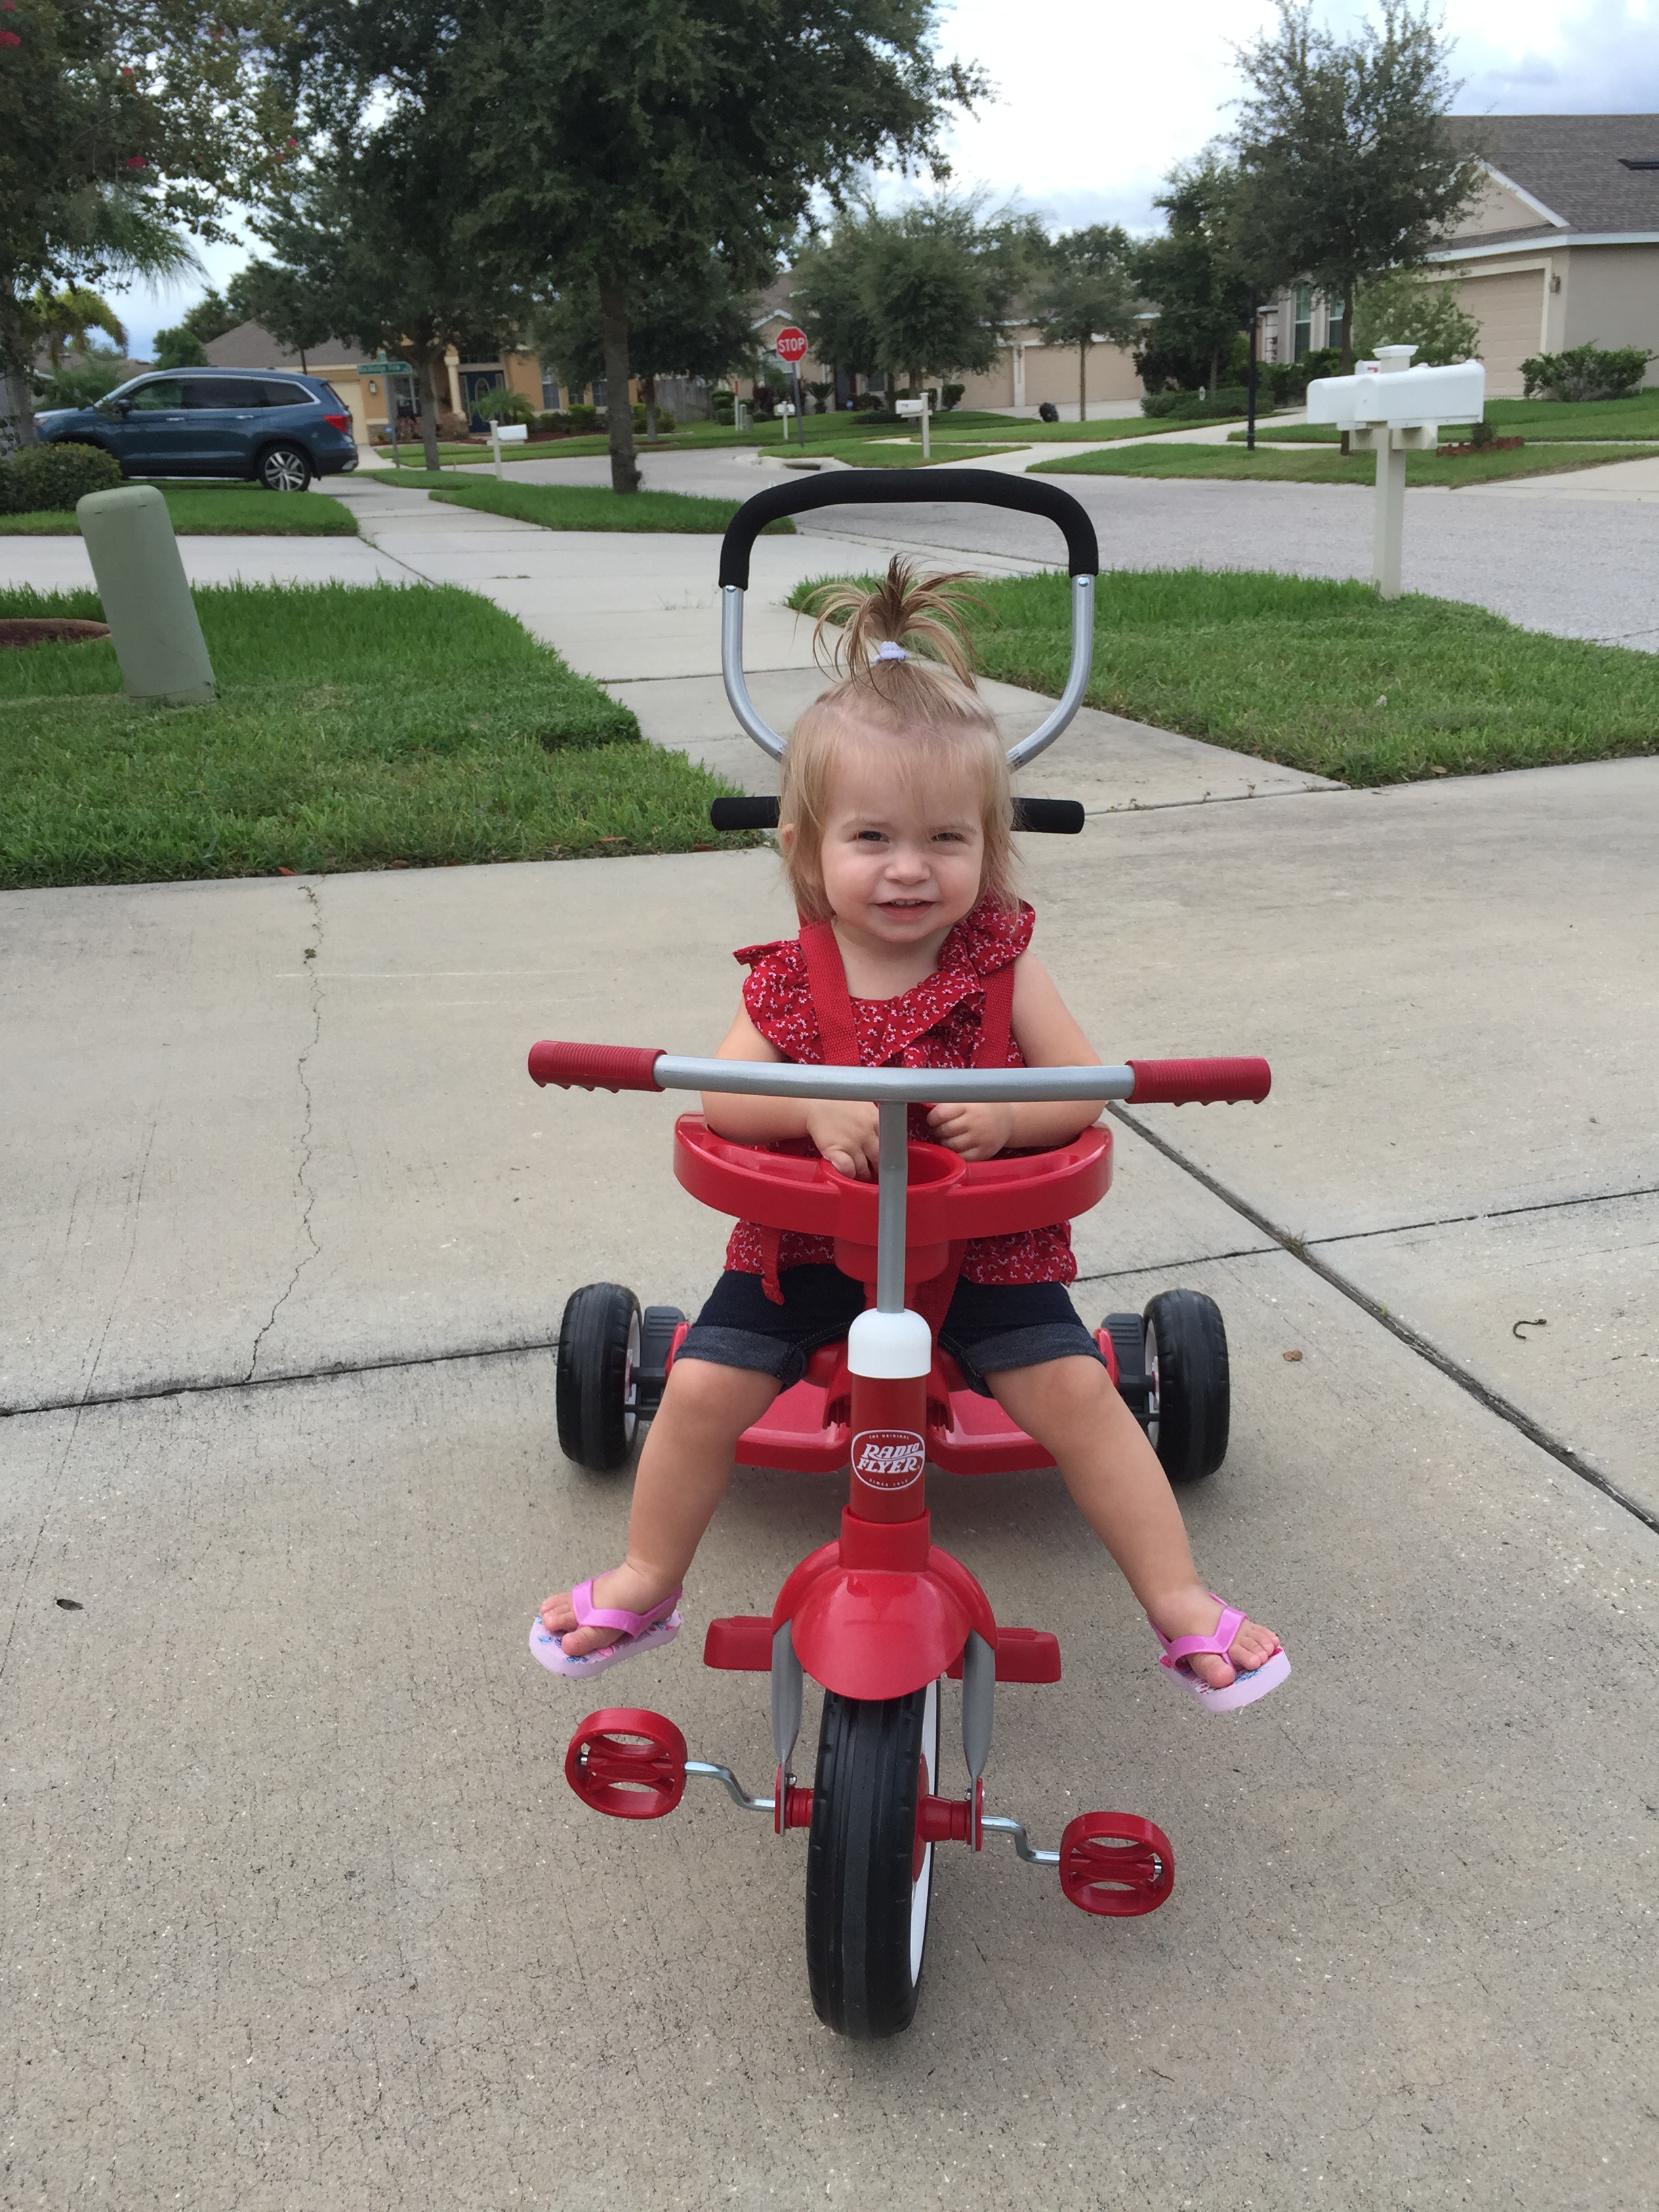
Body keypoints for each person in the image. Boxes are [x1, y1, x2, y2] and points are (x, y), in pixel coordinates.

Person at [534, 559, 1288, 1713]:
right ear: (806, 849)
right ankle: (647, 1577)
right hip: (801, 1259)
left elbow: (1081, 1090)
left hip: (987, 1259)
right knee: (696, 1390)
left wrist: (1013, 1114)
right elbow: (728, 1100)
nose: (908, 867)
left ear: (991, 845)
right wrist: (809, 1104)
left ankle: (1179, 1596)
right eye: (872, 836)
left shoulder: (1002, 963)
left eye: (945, 838)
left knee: (1082, 1397)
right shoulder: (791, 978)